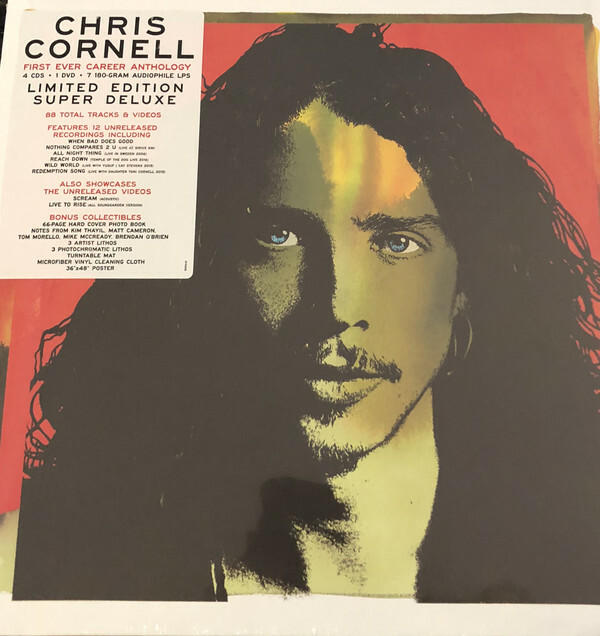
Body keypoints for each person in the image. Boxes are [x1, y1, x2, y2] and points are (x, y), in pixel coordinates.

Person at [13, 23, 600, 603]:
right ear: (207, 268)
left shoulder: (573, 563)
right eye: (279, 236)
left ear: (467, 290)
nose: (336, 308)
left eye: (397, 243)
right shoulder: (43, 563)